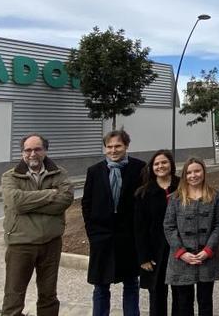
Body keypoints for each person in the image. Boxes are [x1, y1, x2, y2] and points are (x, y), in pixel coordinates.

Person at [0, 133, 74, 316]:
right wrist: (50, 194)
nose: (32, 154)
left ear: (45, 151)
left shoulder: (60, 173)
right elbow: (16, 203)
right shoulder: (10, 177)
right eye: (28, 150)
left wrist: (30, 205)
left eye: (37, 149)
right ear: (22, 153)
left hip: (51, 243)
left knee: (48, 296)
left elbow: (65, 201)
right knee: (13, 298)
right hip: (20, 244)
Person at [82, 129, 147, 316]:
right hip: (102, 239)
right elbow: (86, 204)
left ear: (126, 146)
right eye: (109, 147)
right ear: (104, 149)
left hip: (129, 238)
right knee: (101, 287)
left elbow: (144, 202)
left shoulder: (140, 168)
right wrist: (92, 233)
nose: (113, 150)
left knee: (131, 284)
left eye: (117, 146)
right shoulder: (94, 171)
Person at [164, 158, 219, 316]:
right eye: (189, 172)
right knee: (184, 303)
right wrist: (181, 252)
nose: (193, 175)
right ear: (184, 175)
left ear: (204, 172)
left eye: (197, 171)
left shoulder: (214, 196)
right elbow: (169, 226)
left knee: (205, 301)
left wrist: (208, 250)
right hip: (182, 259)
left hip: (206, 257)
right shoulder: (175, 198)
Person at [134, 150, 181, 316]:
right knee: (157, 296)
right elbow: (139, 228)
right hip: (155, 252)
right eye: (156, 163)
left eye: (164, 162)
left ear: (171, 164)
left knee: (181, 295)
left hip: (180, 249)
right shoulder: (143, 193)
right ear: (152, 167)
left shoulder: (183, 186)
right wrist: (143, 257)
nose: (161, 166)